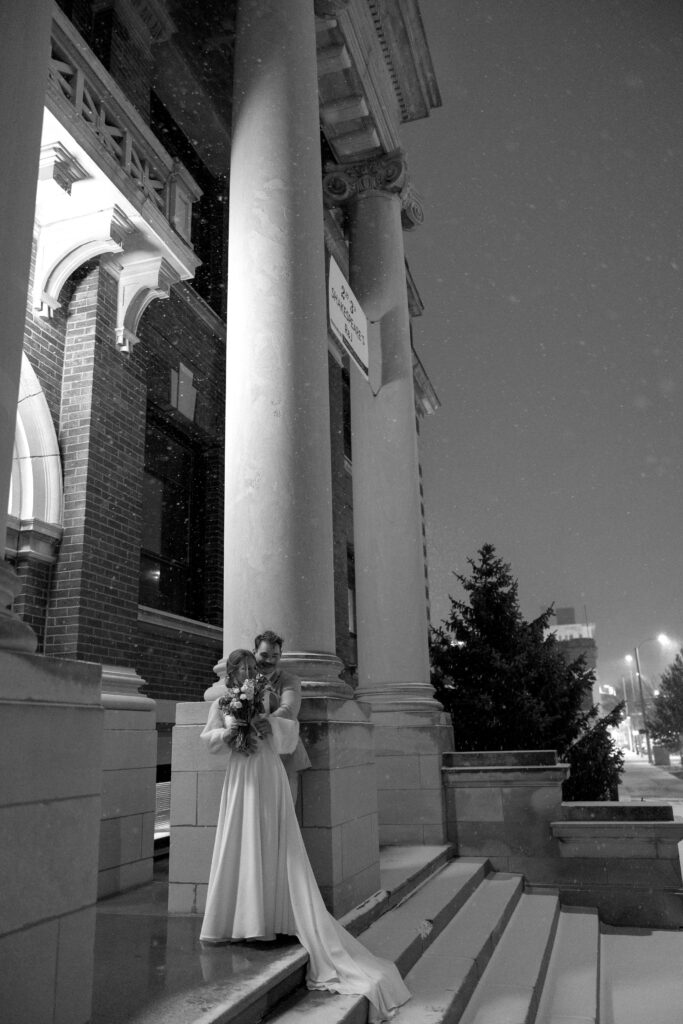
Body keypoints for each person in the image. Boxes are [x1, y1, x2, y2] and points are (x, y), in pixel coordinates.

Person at [199, 648, 411, 1023]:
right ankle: (243, 919)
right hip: (240, 776)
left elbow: (288, 733)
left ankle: (269, 917)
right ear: (231, 673)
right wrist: (232, 732)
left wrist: (269, 726)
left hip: (267, 772)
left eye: (251, 666)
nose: (247, 671)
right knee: (240, 841)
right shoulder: (222, 701)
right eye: (241, 667)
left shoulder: (266, 696)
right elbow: (209, 739)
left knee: (271, 841)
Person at [253, 630, 311, 802]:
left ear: (281, 655)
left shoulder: (290, 680)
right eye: (264, 655)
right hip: (252, 752)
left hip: (284, 751)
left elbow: (289, 709)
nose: (269, 660)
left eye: (275, 656)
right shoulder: (245, 679)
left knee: (285, 806)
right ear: (254, 652)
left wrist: (263, 724)